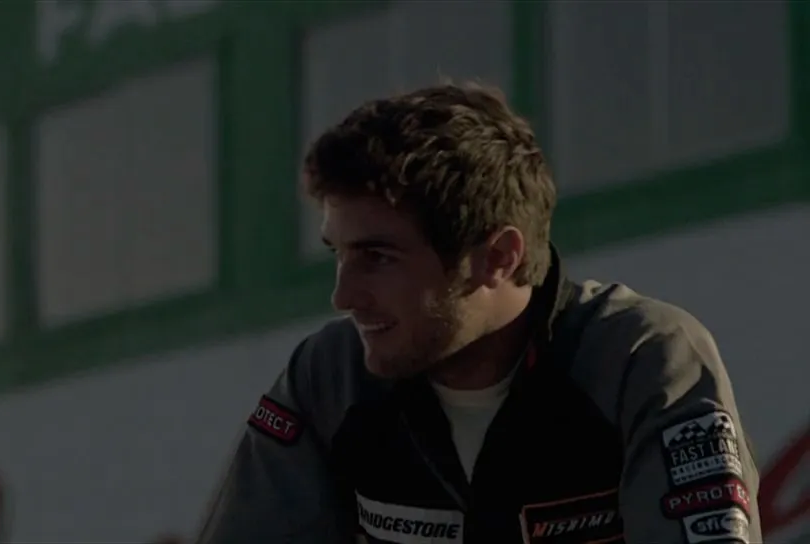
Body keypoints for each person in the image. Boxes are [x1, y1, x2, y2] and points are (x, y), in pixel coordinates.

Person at [195, 84, 762, 543]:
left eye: (377, 257)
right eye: (337, 255)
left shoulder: (642, 359)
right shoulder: (328, 377)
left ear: (498, 257)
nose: (343, 296)